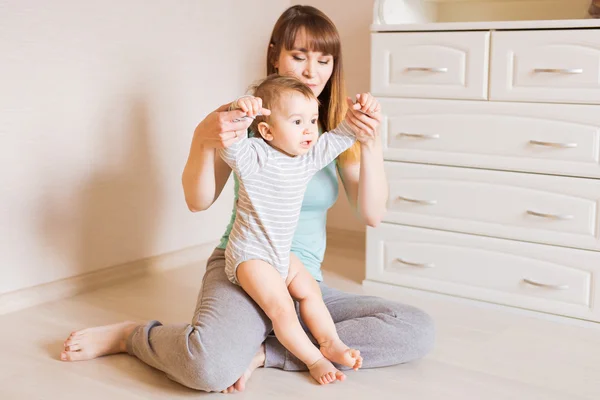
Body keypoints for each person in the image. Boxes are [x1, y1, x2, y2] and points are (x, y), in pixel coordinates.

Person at [60, 5, 435, 394]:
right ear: (275, 55)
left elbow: (373, 215)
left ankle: (266, 352)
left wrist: (370, 141)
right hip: (244, 268)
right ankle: (134, 337)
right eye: (298, 56)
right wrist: (204, 135)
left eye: (324, 60)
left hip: (300, 277)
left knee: (415, 329)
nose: (312, 72)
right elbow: (198, 200)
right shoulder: (248, 129)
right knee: (208, 370)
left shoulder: (320, 138)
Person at [219, 74, 380, 385]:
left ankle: (331, 340)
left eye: (312, 119)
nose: (309, 129)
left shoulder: (306, 158)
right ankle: (314, 359)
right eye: (297, 122)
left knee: (310, 292)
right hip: (250, 255)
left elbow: (341, 135)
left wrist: (360, 112)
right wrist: (241, 111)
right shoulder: (254, 155)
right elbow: (229, 142)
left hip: (282, 253)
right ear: (266, 130)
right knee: (282, 309)